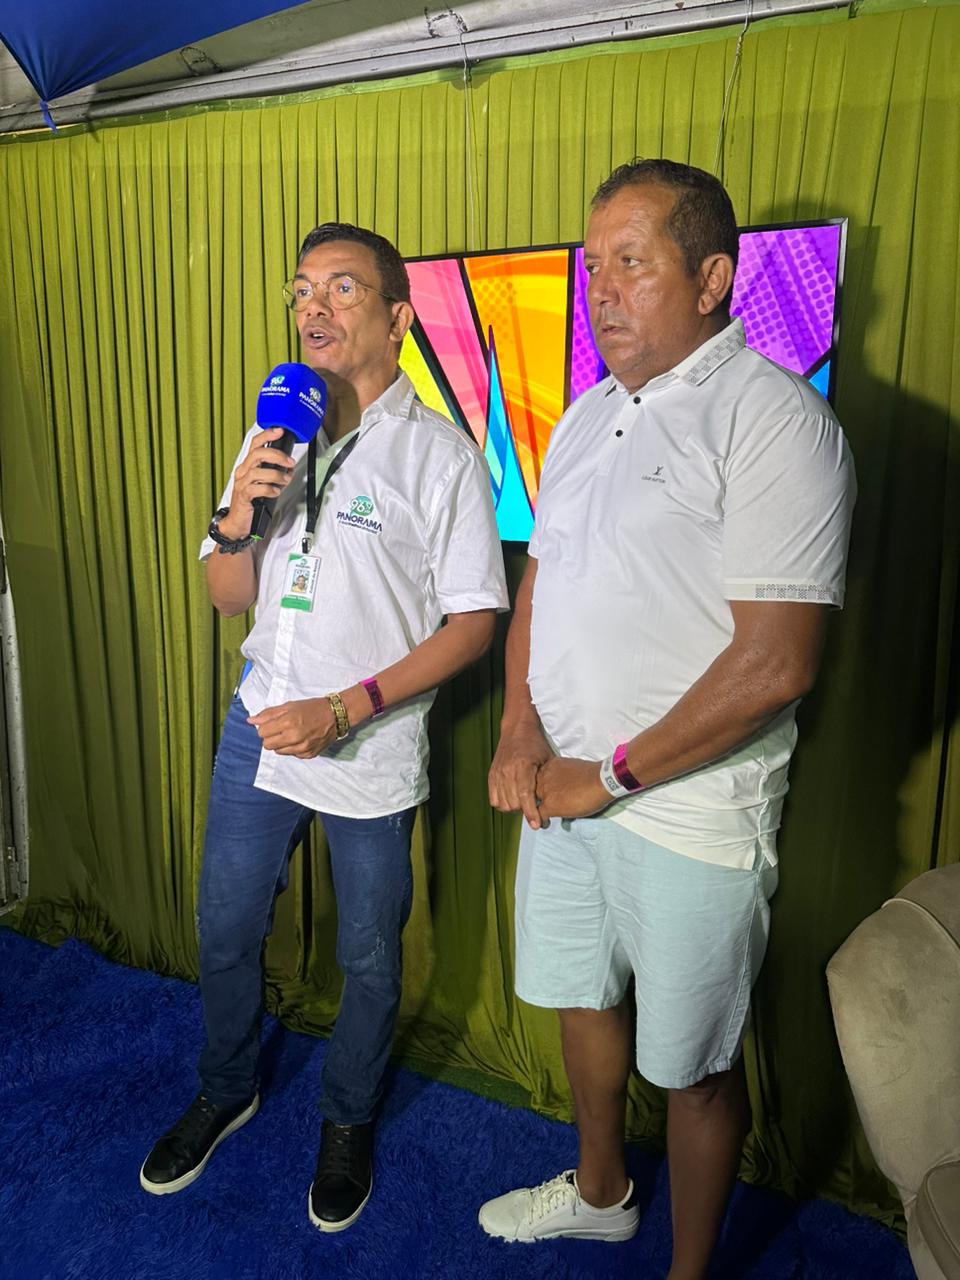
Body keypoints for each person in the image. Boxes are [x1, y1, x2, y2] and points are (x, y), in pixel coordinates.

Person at [479, 159, 855, 1278]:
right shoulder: (585, 417)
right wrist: (517, 728)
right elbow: (540, 589)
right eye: (593, 266)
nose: (601, 291)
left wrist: (608, 775)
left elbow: (777, 662)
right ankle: (602, 1192)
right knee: (579, 997)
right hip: (560, 789)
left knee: (693, 1064)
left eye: (631, 263)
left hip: (691, 814)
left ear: (712, 277)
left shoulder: (776, 420)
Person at [140, 223, 507, 1232]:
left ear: (397, 318)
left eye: (342, 288)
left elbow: (474, 623)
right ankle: (227, 1088)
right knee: (224, 927)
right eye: (303, 288)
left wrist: (346, 707)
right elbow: (227, 594)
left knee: (370, 956)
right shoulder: (274, 435)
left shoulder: (440, 457)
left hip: (367, 746)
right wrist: (237, 514)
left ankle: (347, 1118)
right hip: (259, 723)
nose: (314, 305)